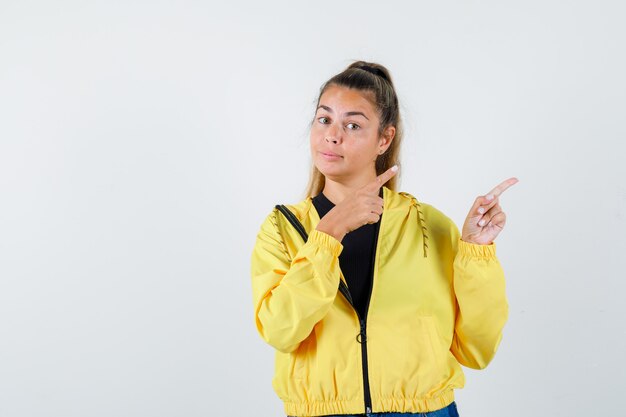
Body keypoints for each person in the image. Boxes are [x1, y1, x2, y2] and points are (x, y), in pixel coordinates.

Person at [250, 60, 517, 417]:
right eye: (324, 119)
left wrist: (476, 253)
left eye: (353, 125)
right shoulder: (281, 229)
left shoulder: (429, 227)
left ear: (385, 139)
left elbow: (477, 350)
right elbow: (281, 331)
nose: (332, 135)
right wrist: (327, 235)